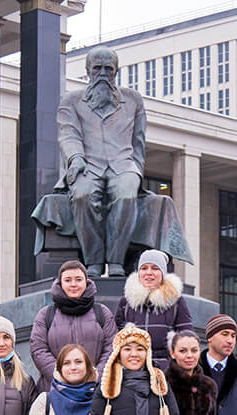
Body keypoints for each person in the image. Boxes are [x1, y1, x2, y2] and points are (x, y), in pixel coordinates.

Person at [57, 46, 146, 277]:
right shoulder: (71, 101)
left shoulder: (133, 100)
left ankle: (116, 261)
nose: (103, 74)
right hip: (88, 164)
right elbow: (68, 134)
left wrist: (136, 172)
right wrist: (76, 158)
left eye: (109, 69)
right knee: (82, 194)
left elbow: (139, 142)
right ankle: (93, 262)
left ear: (117, 71)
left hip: (123, 165)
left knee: (126, 194)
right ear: (88, 70)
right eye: (98, 68)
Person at [29, 260, 117, 391]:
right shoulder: (45, 314)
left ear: (86, 282)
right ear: (60, 283)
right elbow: (38, 349)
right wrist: (60, 376)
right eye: (68, 280)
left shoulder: (102, 312)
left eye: (78, 279)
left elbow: (112, 347)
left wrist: (95, 377)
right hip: (55, 390)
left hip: (94, 391)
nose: (73, 284)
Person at [115, 250, 193, 369]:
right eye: (144, 268)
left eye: (155, 268)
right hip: (133, 368)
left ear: (162, 273)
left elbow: (187, 337)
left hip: (166, 368)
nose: (149, 273)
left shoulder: (176, 301)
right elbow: (115, 337)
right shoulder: (126, 302)